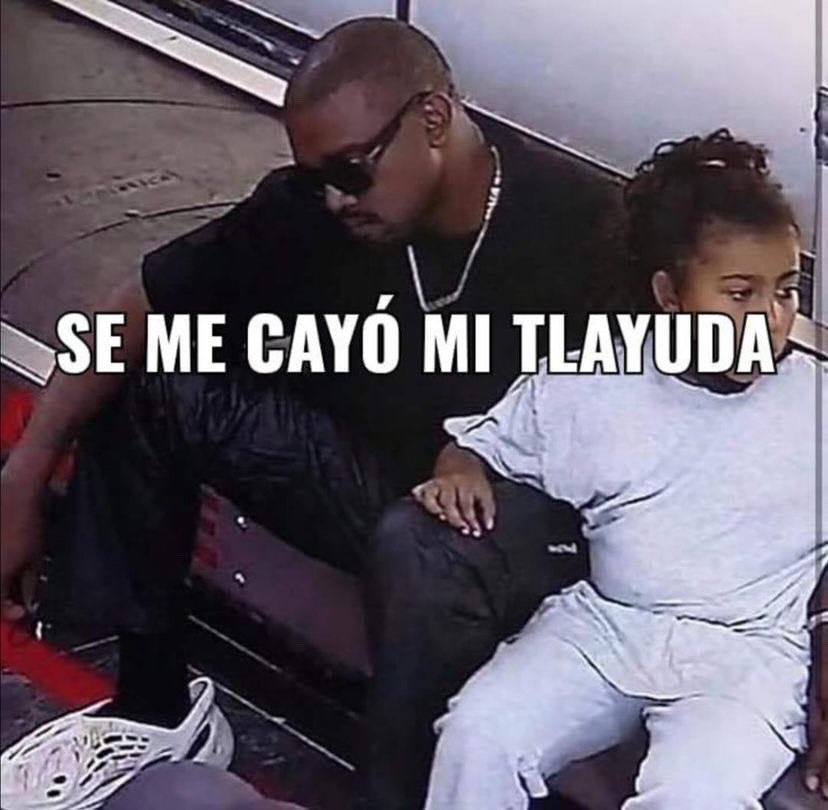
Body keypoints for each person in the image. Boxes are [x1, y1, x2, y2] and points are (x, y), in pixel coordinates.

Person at [0, 16, 618, 810]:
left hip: (515, 542)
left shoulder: (583, 228)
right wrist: (22, 480)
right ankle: (154, 709)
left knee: (423, 545)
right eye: (317, 174)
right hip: (377, 494)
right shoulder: (314, 214)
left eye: (353, 171)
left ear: (433, 120)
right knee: (157, 370)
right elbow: (134, 310)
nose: (335, 197)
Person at [411, 130, 827, 808]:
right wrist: (459, 469)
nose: (770, 319)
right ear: (670, 294)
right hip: (607, 626)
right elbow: (479, 443)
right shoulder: (595, 383)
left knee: (696, 794)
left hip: (747, 658)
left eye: (786, 292)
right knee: (479, 734)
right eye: (739, 293)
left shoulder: (815, 404)